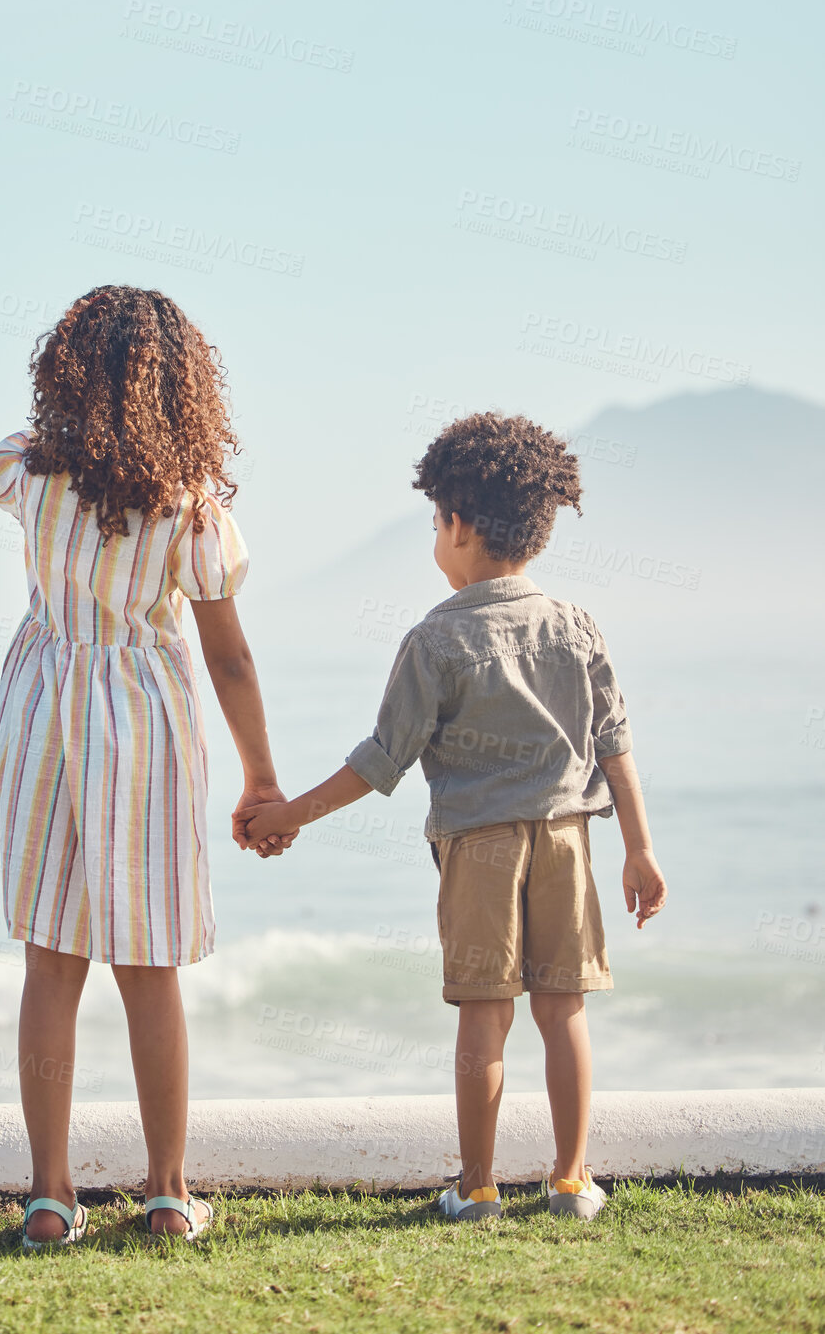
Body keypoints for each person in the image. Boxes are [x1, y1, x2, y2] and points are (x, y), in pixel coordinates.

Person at [0, 284, 295, 1249]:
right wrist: (261, 776)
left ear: (63, 374)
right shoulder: (189, 512)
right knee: (148, 965)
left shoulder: (32, 472)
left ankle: (50, 1199)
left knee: (51, 964)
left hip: (45, 707)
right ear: (182, 391)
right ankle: (169, 1193)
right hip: (140, 715)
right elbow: (229, 657)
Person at [242, 411, 667, 1222]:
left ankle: (476, 1189)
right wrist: (639, 848)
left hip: (478, 848)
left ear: (458, 524)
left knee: (484, 1012)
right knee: (563, 1008)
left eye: (435, 522)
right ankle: (571, 1181)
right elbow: (614, 742)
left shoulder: (434, 639)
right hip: (569, 839)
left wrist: (288, 812)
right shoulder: (574, 624)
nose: (435, 538)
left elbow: (381, 759)